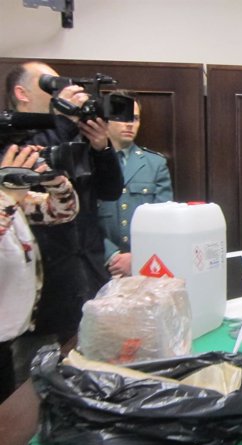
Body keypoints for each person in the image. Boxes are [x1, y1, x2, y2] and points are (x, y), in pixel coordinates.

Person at [4, 61, 123, 383]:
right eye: (50, 85)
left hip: (89, 270)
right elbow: (35, 168)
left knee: (94, 375)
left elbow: (110, 191)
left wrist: (100, 146)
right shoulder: (12, 135)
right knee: (34, 386)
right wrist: (66, 120)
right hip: (43, 284)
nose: (60, 91)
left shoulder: (71, 131)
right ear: (22, 93)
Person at [0, 144, 79, 402]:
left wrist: (54, 180)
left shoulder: (8, 197)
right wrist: (7, 196)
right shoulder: (5, 198)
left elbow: (62, 211)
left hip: (9, 333)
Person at [99, 90, 173, 277]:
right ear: (104, 119)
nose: (130, 123)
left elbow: (163, 219)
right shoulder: (88, 163)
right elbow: (84, 220)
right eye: (122, 117)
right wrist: (113, 255)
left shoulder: (155, 164)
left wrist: (137, 257)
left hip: (144, 266)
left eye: (135, 118)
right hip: (100, 266)